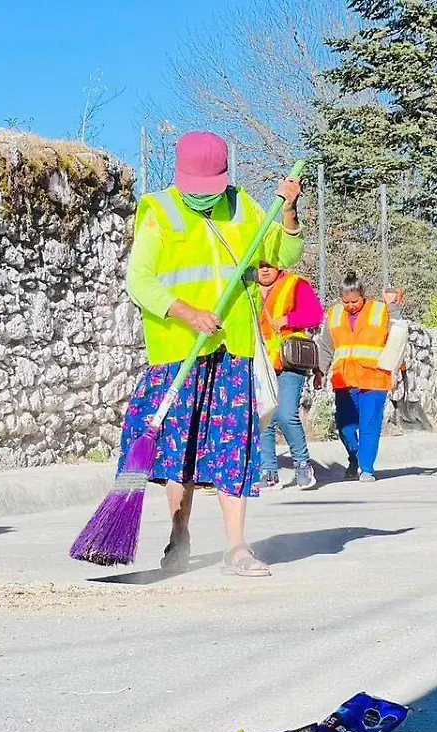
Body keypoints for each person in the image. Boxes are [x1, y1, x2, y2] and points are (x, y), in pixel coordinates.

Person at [122, 131, 303, 577]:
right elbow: (139, 281)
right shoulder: (158, 211)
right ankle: (179, 535)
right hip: (178, 351)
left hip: (233, 348)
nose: (203, 196)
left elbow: (283, 253)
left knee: (233, 447)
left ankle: (236, 547)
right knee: (178, 449)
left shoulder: (244, 207)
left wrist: (291, 211)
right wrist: (186, 313)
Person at [315, 273, 399, 483]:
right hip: (344, 380)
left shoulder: (381, 310)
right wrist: (320, 371)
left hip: (374, 378)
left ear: (363, 296)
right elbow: (326, 347)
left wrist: (397, 371)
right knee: (345, 426)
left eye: (355, 301)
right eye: (346, 302)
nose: (351, 306)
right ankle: (355, 457)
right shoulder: (334, 314)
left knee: (369, 425)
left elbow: (397, 337)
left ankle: (367, 468)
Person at [257, 262, 324, 491]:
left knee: (286, 415)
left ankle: (302, 464)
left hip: (290, 359)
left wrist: (287, 320)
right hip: (261, 360)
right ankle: (268, 471)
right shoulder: (246, 288)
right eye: (260, 266)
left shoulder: (295, 284)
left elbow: (315, 315)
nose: (265, 270)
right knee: (264, 416)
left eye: (269, 265)